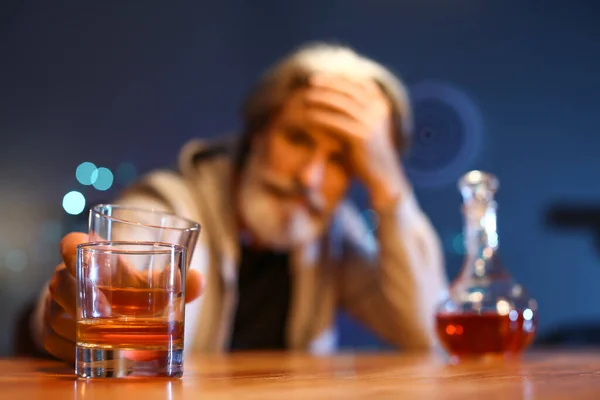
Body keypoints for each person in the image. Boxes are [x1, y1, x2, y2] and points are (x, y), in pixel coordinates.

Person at [31, 42, 448, 362]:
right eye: (298, 138)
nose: (310, 177)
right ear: (257, 133)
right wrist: (84, 311)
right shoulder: (172, 204)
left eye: (342, 159)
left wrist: (390, 184)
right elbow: (120, 277)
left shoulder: (334, 237)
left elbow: (426, 334)